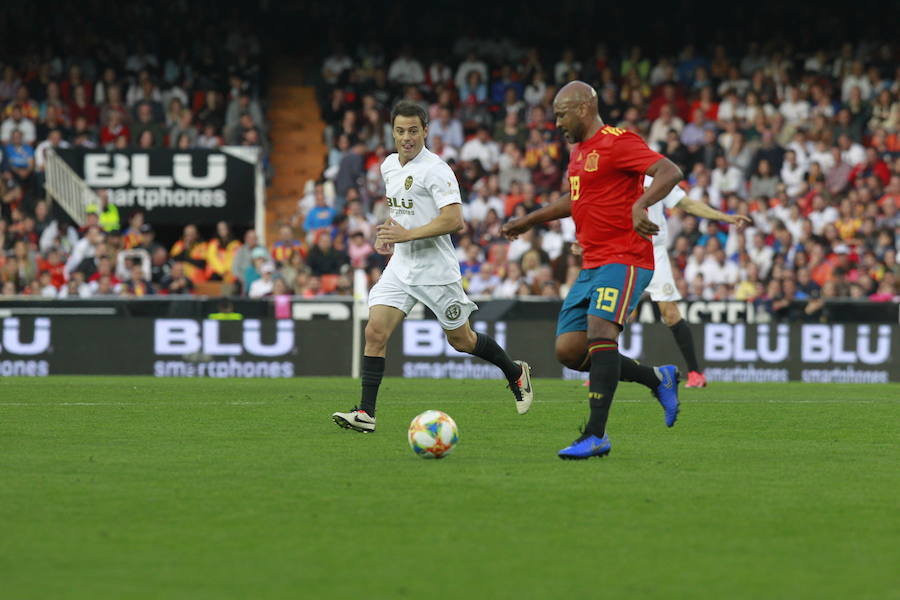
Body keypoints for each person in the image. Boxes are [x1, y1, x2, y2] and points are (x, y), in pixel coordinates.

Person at [502, 81, 683, 459]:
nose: (556, 123)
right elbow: (577, 199)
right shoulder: (578, 152)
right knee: (569, 351)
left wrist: (641, 204)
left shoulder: (618, 141)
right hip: (592, 262)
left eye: (561, 114)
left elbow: (669, 171)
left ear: (583, 108)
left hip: (626, 258)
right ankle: (658, 378)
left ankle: (595, 434)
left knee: (601, 332)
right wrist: (530, 220)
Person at [332, 100, 534, 434]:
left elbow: (455, 220)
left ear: (426, 130)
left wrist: (407, 234)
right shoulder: (388, 166)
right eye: (400, 131)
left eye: (413, 130)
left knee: (462, 340)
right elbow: (403, 209)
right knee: (375, 331)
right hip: (402, 265)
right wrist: (389, 234)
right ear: (392, 132)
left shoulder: (437, 169)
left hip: (436, 271)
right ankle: (367, 413)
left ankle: (515, 372)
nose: (406, 137)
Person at [636, 175, 751, 387]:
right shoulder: (616, 175)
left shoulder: (658, 177)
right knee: (615, 312)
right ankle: (598, 372)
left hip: (654, 252)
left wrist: (725, 217)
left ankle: (696, 373)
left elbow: (687, 204)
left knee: (670, 314)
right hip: (624, 252)